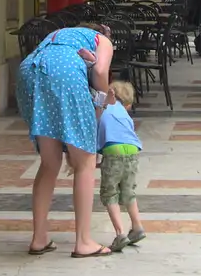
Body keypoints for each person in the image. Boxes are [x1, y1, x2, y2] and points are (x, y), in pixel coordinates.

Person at [16, 20, 115, 258]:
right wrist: (101, 104)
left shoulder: (61, 35)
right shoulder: (103, 39)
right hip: (63, 72)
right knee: (85, 162)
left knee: (49, 163)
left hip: (29, 71)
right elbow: (100, 71)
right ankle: (83, 241)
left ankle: (39, 238)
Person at [97, 80, 145, 253]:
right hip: (133, 150)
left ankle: (120, 233)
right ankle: (137, 227)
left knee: (110, 193)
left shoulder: (103, 107)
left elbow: (98, 132)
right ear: (128, 104)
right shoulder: (125, 115)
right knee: (128, 191)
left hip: (112, 150)